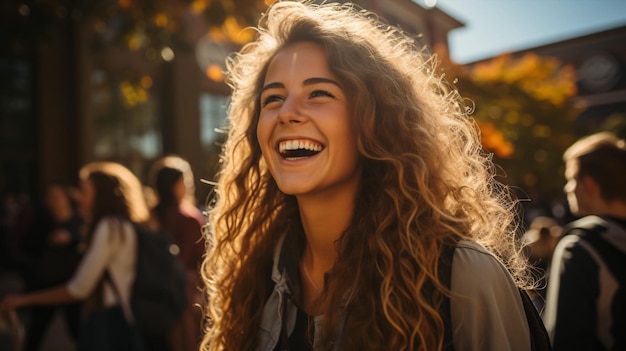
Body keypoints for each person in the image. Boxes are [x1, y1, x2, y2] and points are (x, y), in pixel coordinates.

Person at [200, 2, 538, 351]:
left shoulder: (461, 276)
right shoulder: (252, 276)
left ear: (375, 119)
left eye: (318, 93)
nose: (286, 113)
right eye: (272, 99)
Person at [0, 161, 153, 350]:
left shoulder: (110, 227)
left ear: (101, 195)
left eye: (84, 191)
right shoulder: (120, 226)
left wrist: (24, 300)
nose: (77, 197)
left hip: (111, 326)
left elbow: (79, 288)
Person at [543, 132, 626, 350]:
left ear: (589, 184)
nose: (567, 188)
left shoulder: (579, 247)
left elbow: (565, 339)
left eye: (571, 179)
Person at [148, 155, 206, 351]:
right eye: (185, 181)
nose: (189, 185)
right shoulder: (188, 217)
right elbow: (190, 256)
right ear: (173, 185)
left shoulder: (149, 215)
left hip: (155, 291)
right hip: (185, 291)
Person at [19, 183, 83, 351]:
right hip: (46, 284)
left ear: (66, 199)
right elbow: (27, 246)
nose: (53, 201)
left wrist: (71, 239)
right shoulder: (42, 221)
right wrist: (47, 240)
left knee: (77, 330)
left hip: (70, 284)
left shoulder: (79, 222)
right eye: (50, 198)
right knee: (35, 332)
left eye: (56, 197)